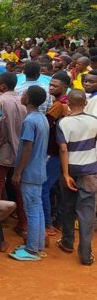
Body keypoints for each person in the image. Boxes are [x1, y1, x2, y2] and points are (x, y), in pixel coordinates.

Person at [55, 90, 97, 265]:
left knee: (68, 206)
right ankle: (86, 254)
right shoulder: (94, 121)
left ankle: (67, 242)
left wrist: (65, 174)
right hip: (90, 171)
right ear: (85, 103)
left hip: (70, 170)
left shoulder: (64, 123)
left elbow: (63, 149)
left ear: (68, 104)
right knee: (87, 212)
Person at [9, 85, 49, 262]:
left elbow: (27, 148)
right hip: (39, 170)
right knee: (37, 209)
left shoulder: (29, 121)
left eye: (24, 94)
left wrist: (18, 173)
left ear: (29, 99)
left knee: (32, 210)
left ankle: (32, 250)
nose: (21, 96)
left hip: (30, 172)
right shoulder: (42, 118)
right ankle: (36, 245)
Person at [0, 72, 27, 251]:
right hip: (20, 152)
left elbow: (0, 129)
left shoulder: (0, 102)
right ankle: (23, 224)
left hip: (3, 152)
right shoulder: (23, 101)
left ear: (2, 86)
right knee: (18, 189)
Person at [43, 71, 71, 236]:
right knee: (56, 188)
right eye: (50, 84)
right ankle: (58, 219)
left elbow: (46, 123)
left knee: (44, 188)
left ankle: (48, 224)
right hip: (61, 152)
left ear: (65, 87)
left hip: (55, 152)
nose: (51, 87)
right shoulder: (66, 102)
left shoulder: (59, 105)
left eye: (55, 85)